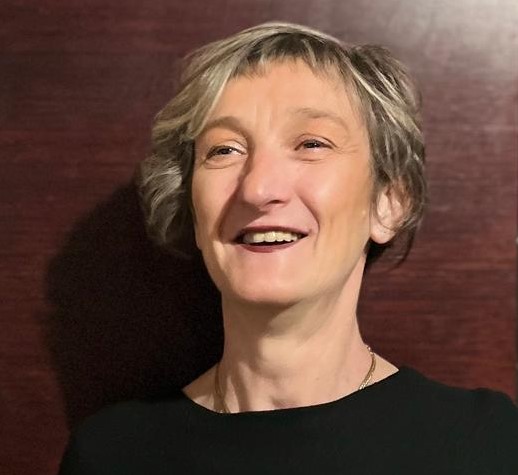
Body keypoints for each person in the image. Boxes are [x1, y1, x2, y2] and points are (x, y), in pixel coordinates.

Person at [58, 22, 518, 474]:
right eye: (224, 150)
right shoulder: (113, 456)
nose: (258, 189)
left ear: (389, 202)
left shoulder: (488, 445)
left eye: (311, 144)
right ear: (192, 211)